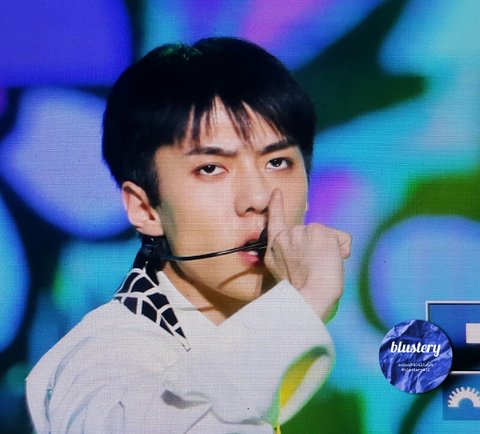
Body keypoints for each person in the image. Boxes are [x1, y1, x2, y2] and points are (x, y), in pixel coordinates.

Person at [26, 37, 351, 433]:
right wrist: (305, 301)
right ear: (145, 209)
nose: (257, 199)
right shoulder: (103, 358)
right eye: (211, 168)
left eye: (278, 162)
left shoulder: (280, 352)